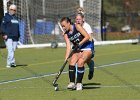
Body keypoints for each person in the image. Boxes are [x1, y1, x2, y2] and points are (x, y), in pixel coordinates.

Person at [60, 17, 93, 90]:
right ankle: (72, 83)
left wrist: (79, 44)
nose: (63, 27)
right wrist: (66, 58)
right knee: (71, 62)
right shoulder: (66, 34)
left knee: (80, 62)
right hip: (78, 49)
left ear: (68, 23)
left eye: (64, 25)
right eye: (62, 26)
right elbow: (68, 47)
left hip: (87, 47)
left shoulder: (77, 26)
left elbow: (87, 37)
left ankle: (79, 83)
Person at [75, 12, 95, 80]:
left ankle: (91, 68)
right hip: (80, 46)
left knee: (84, 60)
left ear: (83, 19)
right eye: (76, 19)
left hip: (88, 46)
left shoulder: (87, 26)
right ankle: (77, 81)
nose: (78, 21)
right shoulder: (75, 26)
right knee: (78, 61)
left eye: (79, 19)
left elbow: (90, 38)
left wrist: (81, 43)